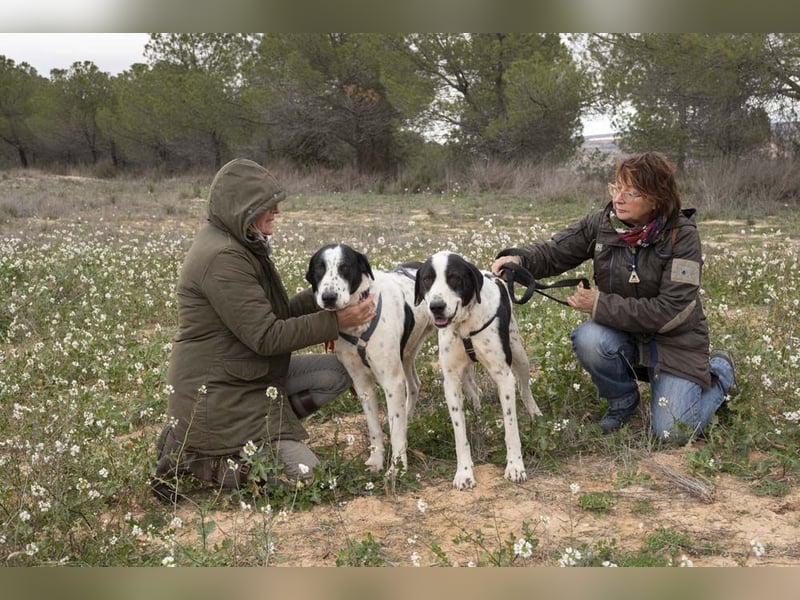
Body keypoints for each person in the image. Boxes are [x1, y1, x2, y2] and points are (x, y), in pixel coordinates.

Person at [151, 158, 374, 499]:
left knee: (334, 373)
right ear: (243, 207)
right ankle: (195, 459)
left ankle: (267, 431)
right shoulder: (223, 258)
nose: (277, 212)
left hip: (247, 376)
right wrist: (335, 321)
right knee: (310, 476)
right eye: (267, 205)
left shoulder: (239, 242)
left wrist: (331, 293)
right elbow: (267, 336)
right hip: (219, 395)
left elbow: (274, 313)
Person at [491, 151, 736, 443]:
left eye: (630, 192)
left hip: (674, 342)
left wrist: (598, 304)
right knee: (590, 339)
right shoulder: (603, 223)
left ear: (657, 198)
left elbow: (669, 310)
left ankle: (720, 373)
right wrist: (520, 260)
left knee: (672, 432)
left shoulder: (681, 236)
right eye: (615, 188)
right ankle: (622, 403)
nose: (618, 198)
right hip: (623, 333)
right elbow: (555, 252)